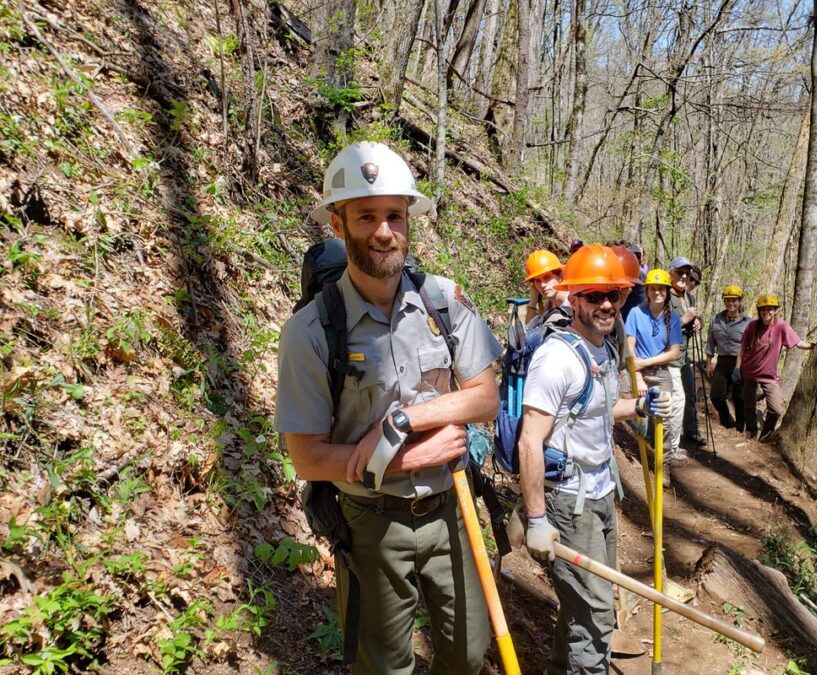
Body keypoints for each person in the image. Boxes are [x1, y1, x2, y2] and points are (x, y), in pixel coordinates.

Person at [275, 141, 503, 675]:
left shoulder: (444, 302)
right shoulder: (309, 332)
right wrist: (398, 460)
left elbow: (485, 397)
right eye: (366, 217)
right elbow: (308, 459)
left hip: (452, 513)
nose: (384, 231)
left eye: (395, 216)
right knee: (383, 668)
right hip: (370, 523)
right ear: (339, 224)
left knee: (468, 654)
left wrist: (401, 422)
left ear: (409, 221)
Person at [517, 243, 670, 674]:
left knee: (582, 602)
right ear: (574, 298)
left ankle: (559, 666)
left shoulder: (602, 348)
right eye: (593, 295)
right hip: (568, 501)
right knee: (598, 614)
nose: (606, 304)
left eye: (614, 296)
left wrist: (638, 408)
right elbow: (530, 442)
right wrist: (536, 519)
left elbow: (596, 407)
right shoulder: (556, 358)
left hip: (601, 493)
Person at [624, 269, 686, 485]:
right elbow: (629, 348)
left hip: (660, 372)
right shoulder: (635, 313)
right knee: (628, 407)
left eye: (661, 289)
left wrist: (646, 363)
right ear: (647, 291)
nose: (657, 293)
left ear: (667, 292)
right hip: (635, 371)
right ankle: (633, 450)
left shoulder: (674, 319)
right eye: (653, 289)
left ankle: (663, 465)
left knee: (665, 421)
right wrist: (638, 375)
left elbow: (674, 352)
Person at [737, 293, 817, 440]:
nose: (766, 312)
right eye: (763, 309)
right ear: (759, 311)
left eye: (770, 309)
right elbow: (742, 347)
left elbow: (797, 342)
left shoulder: (781, 326)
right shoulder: (752, 326)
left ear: (775, 310)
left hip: (769, 375)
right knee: (749, 404)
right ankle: (751, 431)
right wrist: (738, 367)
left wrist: (811, 346)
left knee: (776, 409)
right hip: (749, 371)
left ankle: (765, 436)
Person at [668, 257, 706, 448]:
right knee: (676, 401)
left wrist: (698, 321)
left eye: (687, 274)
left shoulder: (689, 297)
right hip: (668, 356)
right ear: (671, 273)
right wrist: (685, 319)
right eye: (680, 272)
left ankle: (691, 432)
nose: (684, 277)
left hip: (684, 356)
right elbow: (660, 327)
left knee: (690, 393)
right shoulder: (665, 295)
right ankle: (670, 446)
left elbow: (695, 318)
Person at [705, 285, 750, 432]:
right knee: (716, 395)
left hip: (741, 362)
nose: (731, 303)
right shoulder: (716, 320)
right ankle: (727, 420)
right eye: (728, 300)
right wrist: (708, 364)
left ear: (740, 301)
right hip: (722, 361)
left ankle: (741, 425)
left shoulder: (748, 323)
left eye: (734, 300)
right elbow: (710, 342)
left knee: (739, 397)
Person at [524, 249, 569, 325]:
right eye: (538, 281)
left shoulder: (573, 303)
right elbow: (529, 330)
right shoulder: (548, 305)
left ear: (560, 276)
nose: (542, 285)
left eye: (547, 277)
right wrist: (533, 302)